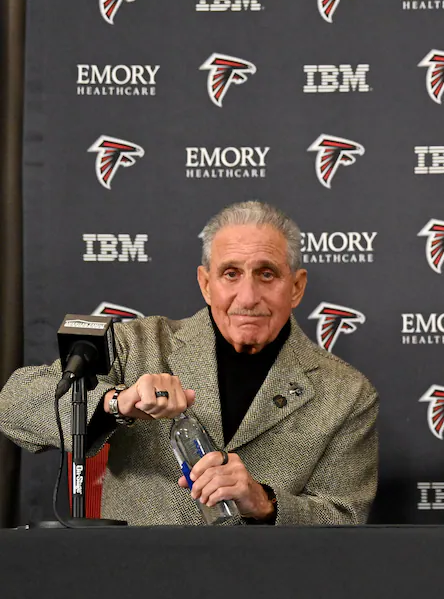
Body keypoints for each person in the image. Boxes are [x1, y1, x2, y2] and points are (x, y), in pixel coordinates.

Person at [0, 201, 379, 525]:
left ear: (296, 287)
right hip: (139, 576)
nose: (248, 297)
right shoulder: (138, 344)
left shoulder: (347, 393)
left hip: (265, 583)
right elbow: (13, 406)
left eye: (267, 274)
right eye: (231, 274)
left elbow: (344, 518)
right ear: (206, 283)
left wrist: (264, 503)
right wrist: (117, 401)